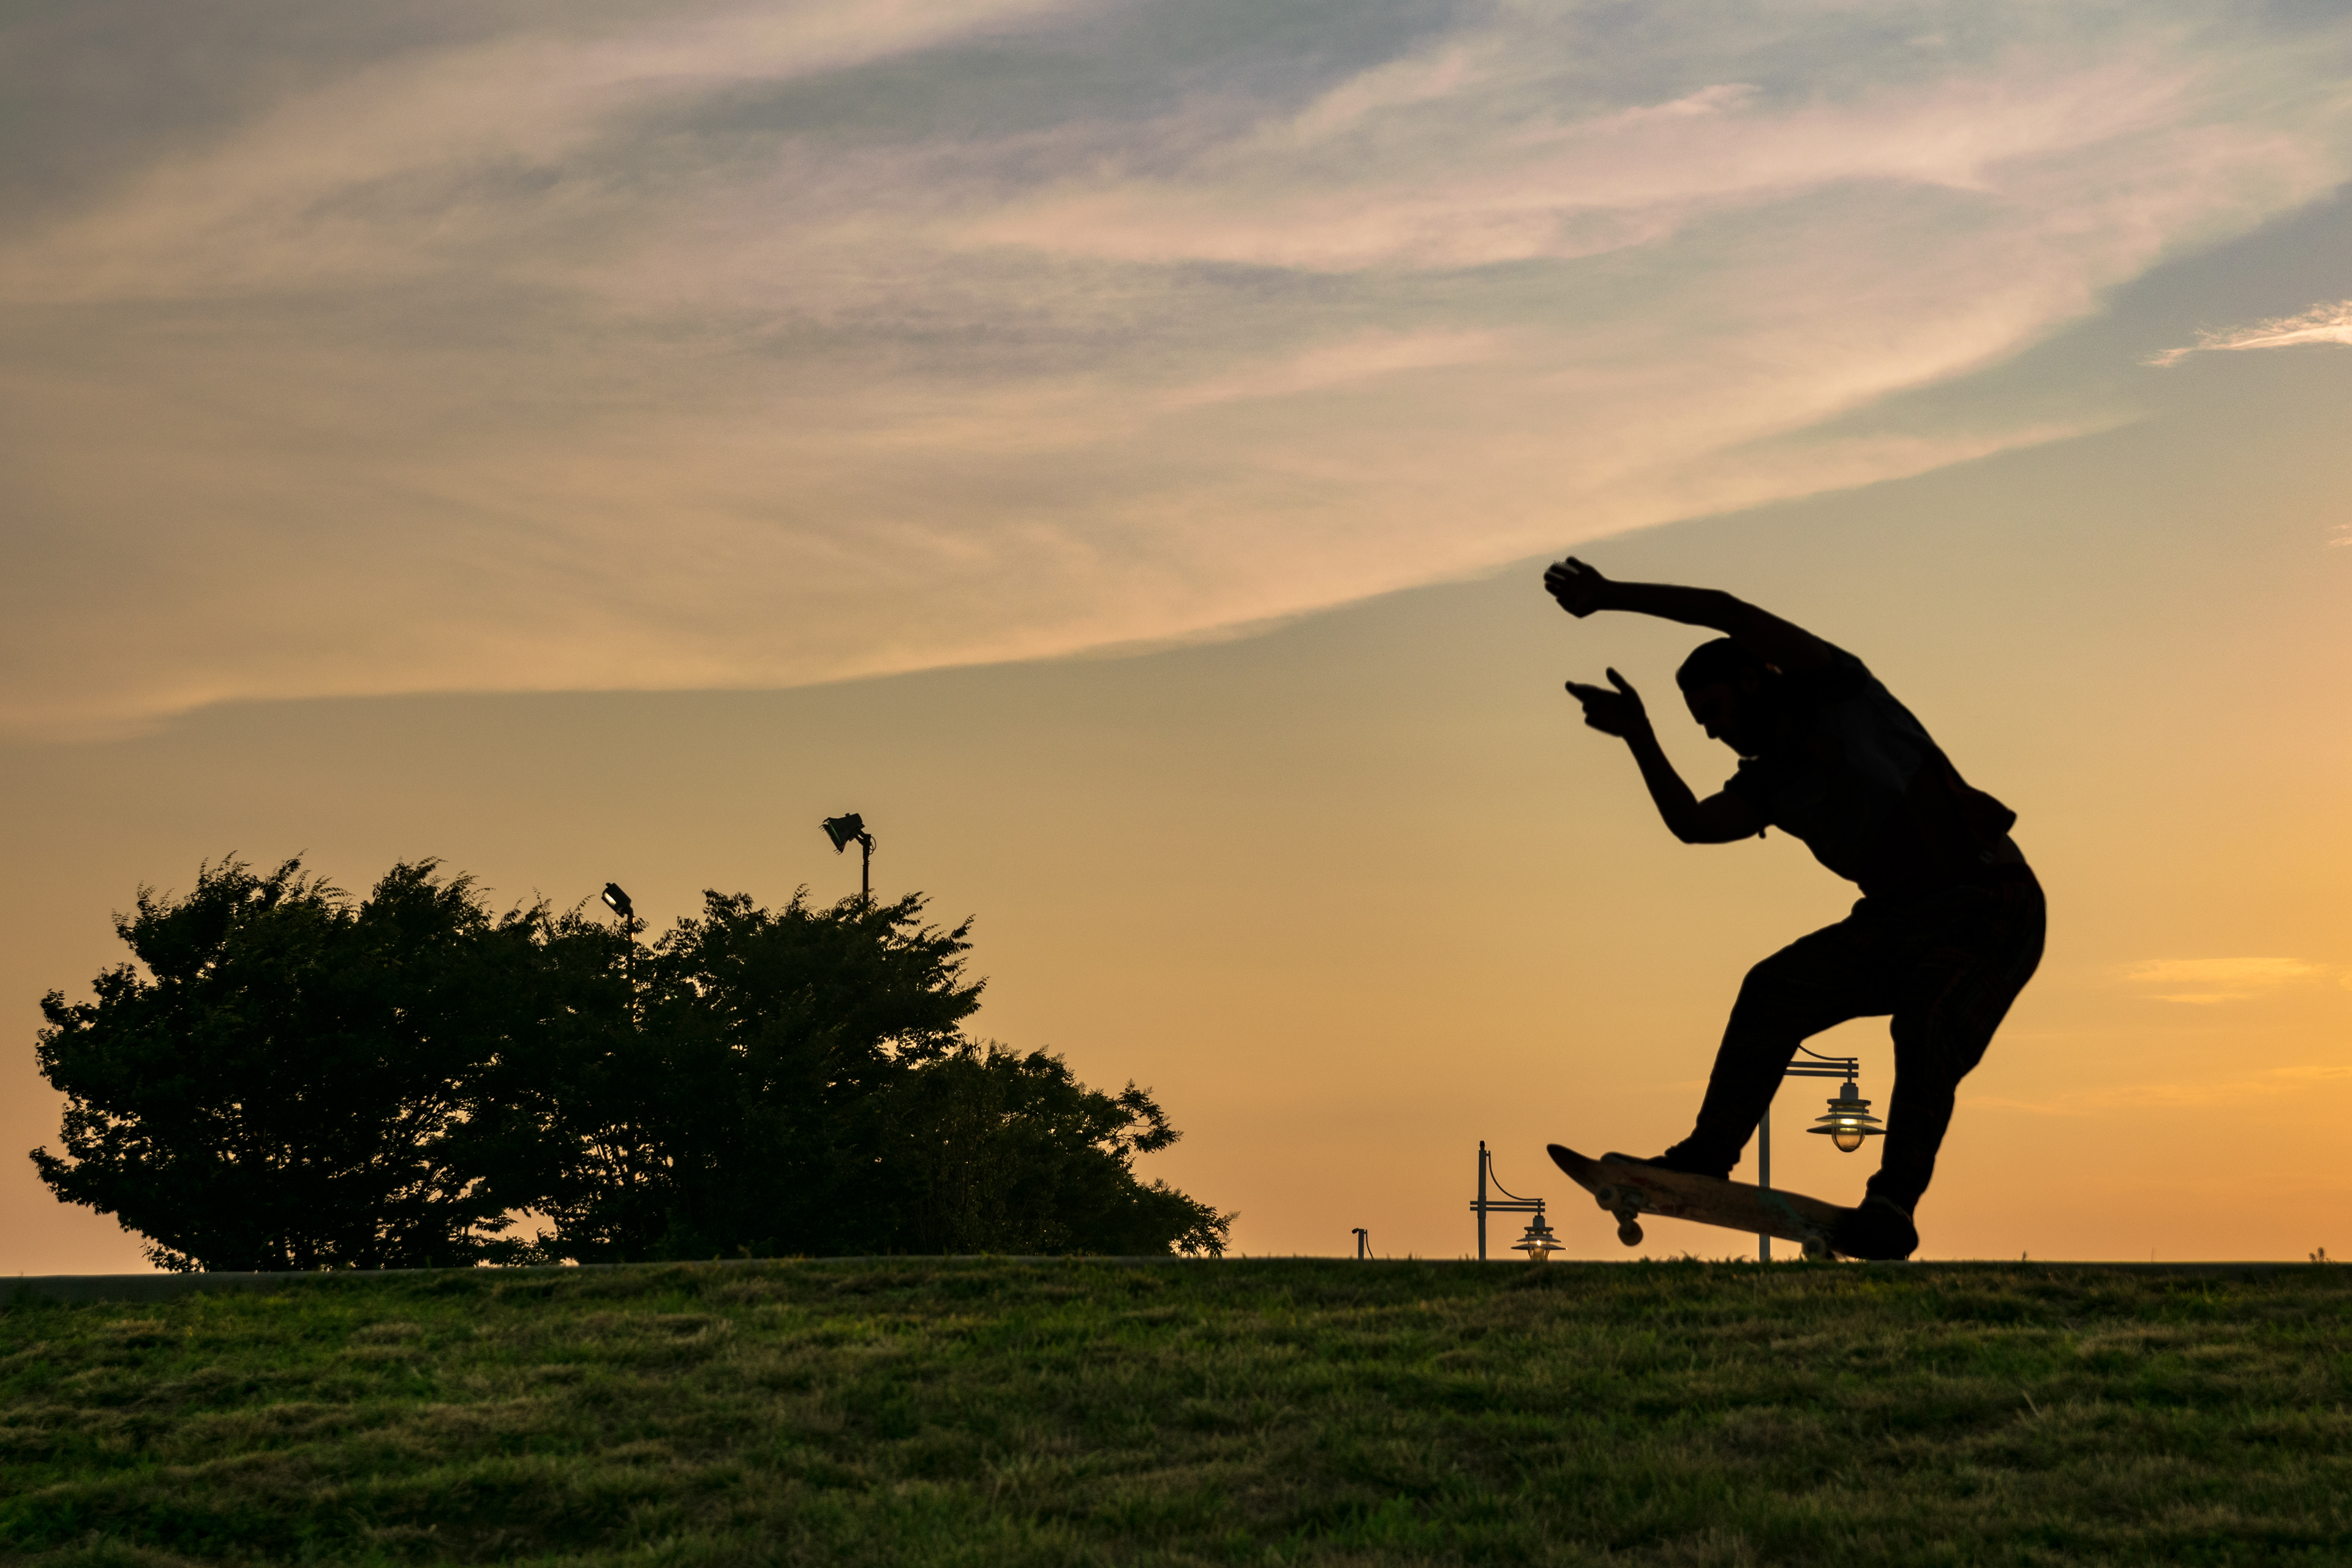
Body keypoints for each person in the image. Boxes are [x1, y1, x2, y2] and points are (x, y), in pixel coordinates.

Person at [1544, 556, 2044, 1260]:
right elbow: (1692, 823)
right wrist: (1640, 737)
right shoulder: (1770, 780)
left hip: (1993, 908)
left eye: (1713, 713)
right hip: (1901, 921)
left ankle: (1893, 1204)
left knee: (1929, 1022)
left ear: (1751, 681)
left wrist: (1609, 597)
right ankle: (1706, 1156)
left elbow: (1726, 609)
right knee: (1774, 989)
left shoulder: (1837, 691)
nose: (1713, 733)